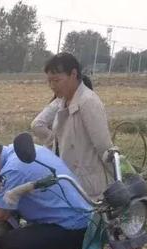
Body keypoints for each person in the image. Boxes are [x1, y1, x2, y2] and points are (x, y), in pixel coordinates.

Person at [31, 53, 113, 199]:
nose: (52, 86)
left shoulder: (88, 102)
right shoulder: (62, 103)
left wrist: (119, 179)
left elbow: (104, 147)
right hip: (69, 179)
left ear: (73, 74)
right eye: (49, 81)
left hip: (89, 185)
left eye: (57, 80)